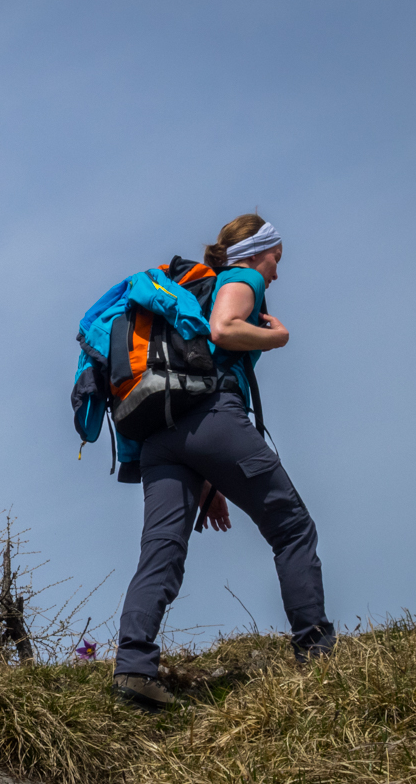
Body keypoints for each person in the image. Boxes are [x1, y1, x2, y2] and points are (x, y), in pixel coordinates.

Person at [111, 214, 335, 712]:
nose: (275, 272)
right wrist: (279, 338)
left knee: (161, 549)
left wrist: (211, 480)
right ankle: (318, 657)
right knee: (292, 527)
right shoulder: (242, 277)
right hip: (212, 416)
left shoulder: (199, 289)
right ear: (259, 251)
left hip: (158, 434)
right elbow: (225, 329)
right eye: (276, 257)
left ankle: (134, 670)